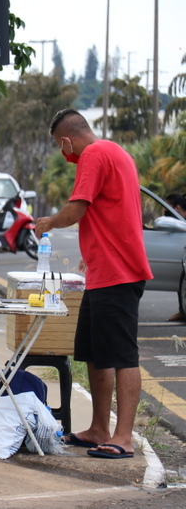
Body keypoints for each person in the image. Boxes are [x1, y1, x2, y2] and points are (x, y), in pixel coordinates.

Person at [35, 109, 152, 459]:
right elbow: (107, 212)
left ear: (67, 140)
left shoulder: (94, 154)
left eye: (60, 145)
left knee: (121, 355)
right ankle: (99, 428)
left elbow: (77, 208)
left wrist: (48, 222)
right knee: (95, 353)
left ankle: (124, 437)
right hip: (104, 269)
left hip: (119, 272)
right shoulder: (116, 152)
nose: (63, 153)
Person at [164, 193, 186, 321]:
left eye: (168, 207)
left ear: (177, 208)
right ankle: (182, 310)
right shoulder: (178, 222)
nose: (165, 211)